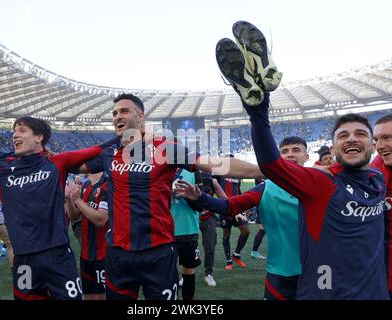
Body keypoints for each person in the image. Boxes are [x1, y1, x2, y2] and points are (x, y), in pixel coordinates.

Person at [215, 20, 388, 299]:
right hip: (324, 292)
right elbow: (272, 166)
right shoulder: (321, 181)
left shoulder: (379, 178)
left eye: (360, 133)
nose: (352, 138)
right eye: (343, 135)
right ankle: (257, 87)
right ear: (333, 147)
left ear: (373, 143)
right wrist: (258, 112)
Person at [78, 93, 262, 300]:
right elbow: (74, 164)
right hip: (118, 253)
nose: (117, 116)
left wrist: (267, 171)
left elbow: (216, 162)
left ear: (141, 117)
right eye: (114, 113)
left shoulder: (165, 148)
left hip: (158, 252)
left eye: (124, 111)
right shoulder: (109, 153)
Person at [0, 116, 115, 300]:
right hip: (23, 261)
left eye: (21, 130)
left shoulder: (57, 162)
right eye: (14, 131)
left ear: (39, 137)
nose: (14, 135)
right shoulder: (0, 167)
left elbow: (99, 150)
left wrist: (132, 135)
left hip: (58, 256)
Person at [176, 136, 308, 300]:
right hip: (279, 274)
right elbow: (229, 206)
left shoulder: (324, 185)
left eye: (296, 150)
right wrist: (200, 198)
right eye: (284, 151)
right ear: (278, 157)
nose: (290, 155)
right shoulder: (264, 188)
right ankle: (230, 258)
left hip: (318, 271)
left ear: (306, 156)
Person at [65, 172, 109, 300]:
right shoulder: (86, 185)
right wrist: (69, 199)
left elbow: (101, 219)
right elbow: (75, 216)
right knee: (88, 296)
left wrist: (78, 200)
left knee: (102, 296)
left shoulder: (107, 184)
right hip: (86, 254)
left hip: (103, 254)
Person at [372, 111, 392, 300]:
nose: (379, 147)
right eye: (376, 140)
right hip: (387, 283)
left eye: (387, 138)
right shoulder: (376, 171)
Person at [170, 168, 202, 300]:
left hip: (188, 230)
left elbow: (201, 206)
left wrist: (188, 196)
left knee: (189, 271)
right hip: (164, 231)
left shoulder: (193, 171)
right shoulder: (157, 168)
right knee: (166, 274)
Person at [215, 161, 251, 269]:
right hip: (225, 207)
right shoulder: (219, 173)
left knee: (246, 231)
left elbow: (238, 190)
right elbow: (216, 188)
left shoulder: (237, 175)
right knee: (227, 233)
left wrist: (244, 205)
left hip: (237, 206)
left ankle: (236, 255)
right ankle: (228, 260)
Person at [198, 172, 227, 287]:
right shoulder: (187, 177)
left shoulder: (212, 181)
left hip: (207, 217)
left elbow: (224, 198)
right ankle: (185, 274)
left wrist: (213, 204)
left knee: (210, 247)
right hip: (191, 217)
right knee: (186, 246)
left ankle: (208, 273)